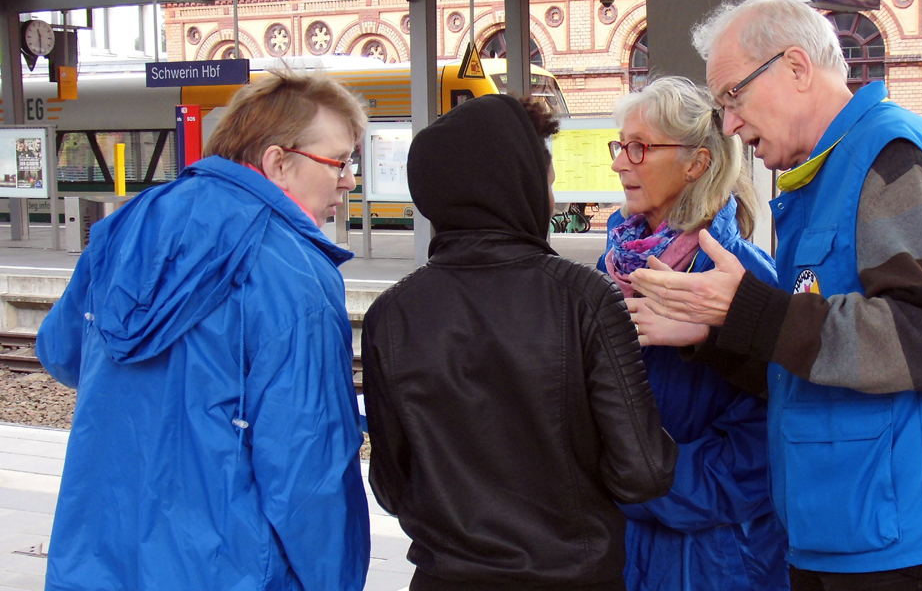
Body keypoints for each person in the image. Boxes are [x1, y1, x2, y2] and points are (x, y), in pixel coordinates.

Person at [628, 0, 922, 590]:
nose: (728, 124)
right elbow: (807, 360)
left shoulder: (889, 157)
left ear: (797, 68)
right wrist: (717, 332)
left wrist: (747, 307)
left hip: (895, 544)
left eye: (733, 97)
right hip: (846, 531)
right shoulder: (825, 176)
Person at [36, 71, 371, 591]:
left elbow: (60, 351)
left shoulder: (126, 226)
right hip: (228, 569)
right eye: (340, 162)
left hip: (98, 557)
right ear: (278, 163)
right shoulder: (297, 275)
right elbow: (308, 473)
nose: (348, 180)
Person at [362, 94, 678, 591]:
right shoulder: (585, 299)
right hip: (573, 578)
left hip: (444, 579)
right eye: (546, 183)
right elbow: (642, 472)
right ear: (520, 187)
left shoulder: (390, 315)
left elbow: (389, 485)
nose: (550, 200)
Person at [598, 76, 788, 591]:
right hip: (620, 544)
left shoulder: (743, 276)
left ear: (696, 163)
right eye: (619, 146)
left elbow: (766, 441)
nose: (619, 162)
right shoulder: (609, 267)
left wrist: (647, 481)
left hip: (714, 556)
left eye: (638, 148)